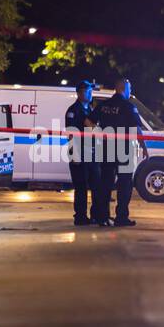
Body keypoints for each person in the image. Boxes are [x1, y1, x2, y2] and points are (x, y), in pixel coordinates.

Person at [89, 77, 142, 227]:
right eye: (130, 89)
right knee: (125, 184)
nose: (130, 91)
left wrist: (97, 136)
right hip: (123, 149)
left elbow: (88, 122)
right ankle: (121, 217)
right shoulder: (128, 106)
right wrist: (143, 146)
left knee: (105, 183)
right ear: (124, 89)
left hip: (106, 148)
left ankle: (102, 217)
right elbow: (136, 128)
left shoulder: (104, 105)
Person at [63, 81, 99, 226]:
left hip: (91, 153)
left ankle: (95, 215)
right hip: (79, 153)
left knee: (96, 185)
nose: (91, 94)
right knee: (81, 187)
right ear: (79, 93)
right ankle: (80, 217)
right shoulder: (73, 110)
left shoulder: (90, 109)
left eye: (91, 91)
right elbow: (71, 135)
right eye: (88, 91)